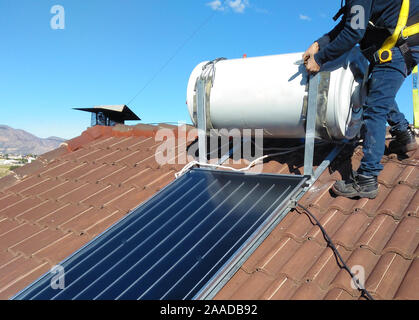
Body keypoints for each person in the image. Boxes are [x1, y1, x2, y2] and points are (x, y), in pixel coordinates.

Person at [303, 0, 419, 199]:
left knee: (374, 109)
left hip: (396, 51)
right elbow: (349, 23)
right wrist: (318, 43)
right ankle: (403, 135)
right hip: (401, 47)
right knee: (375, 91)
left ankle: (367, 179)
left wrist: (320, 59)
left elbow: (353, 33)